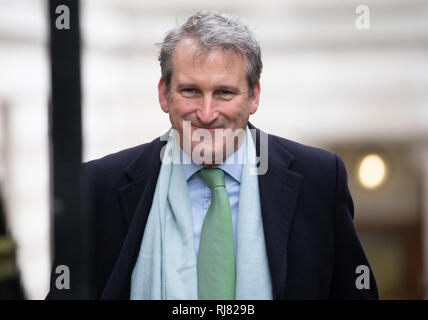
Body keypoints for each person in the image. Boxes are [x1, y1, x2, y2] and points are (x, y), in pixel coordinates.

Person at [48, 11, 378, 300]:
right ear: (164, 94)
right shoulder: (99, 185)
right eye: (190, 90)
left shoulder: (320, 178)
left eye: (224, 93)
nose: (206, 114)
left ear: (253, 98)